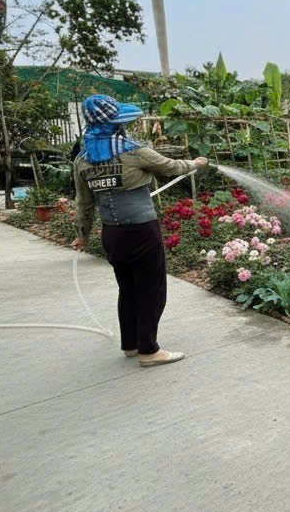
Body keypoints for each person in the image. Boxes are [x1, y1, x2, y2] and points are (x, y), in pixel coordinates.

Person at [72, 94, 208, 367]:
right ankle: (149, 351)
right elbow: (171, 167)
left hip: (112, 235)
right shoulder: (134, 151)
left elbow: (84, 203)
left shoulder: (83, 161)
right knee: (151, 290)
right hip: (142, 232)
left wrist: (81, 235)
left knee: (128, 289)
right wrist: (196, 164)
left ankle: (131, 344)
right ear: (115, 124)